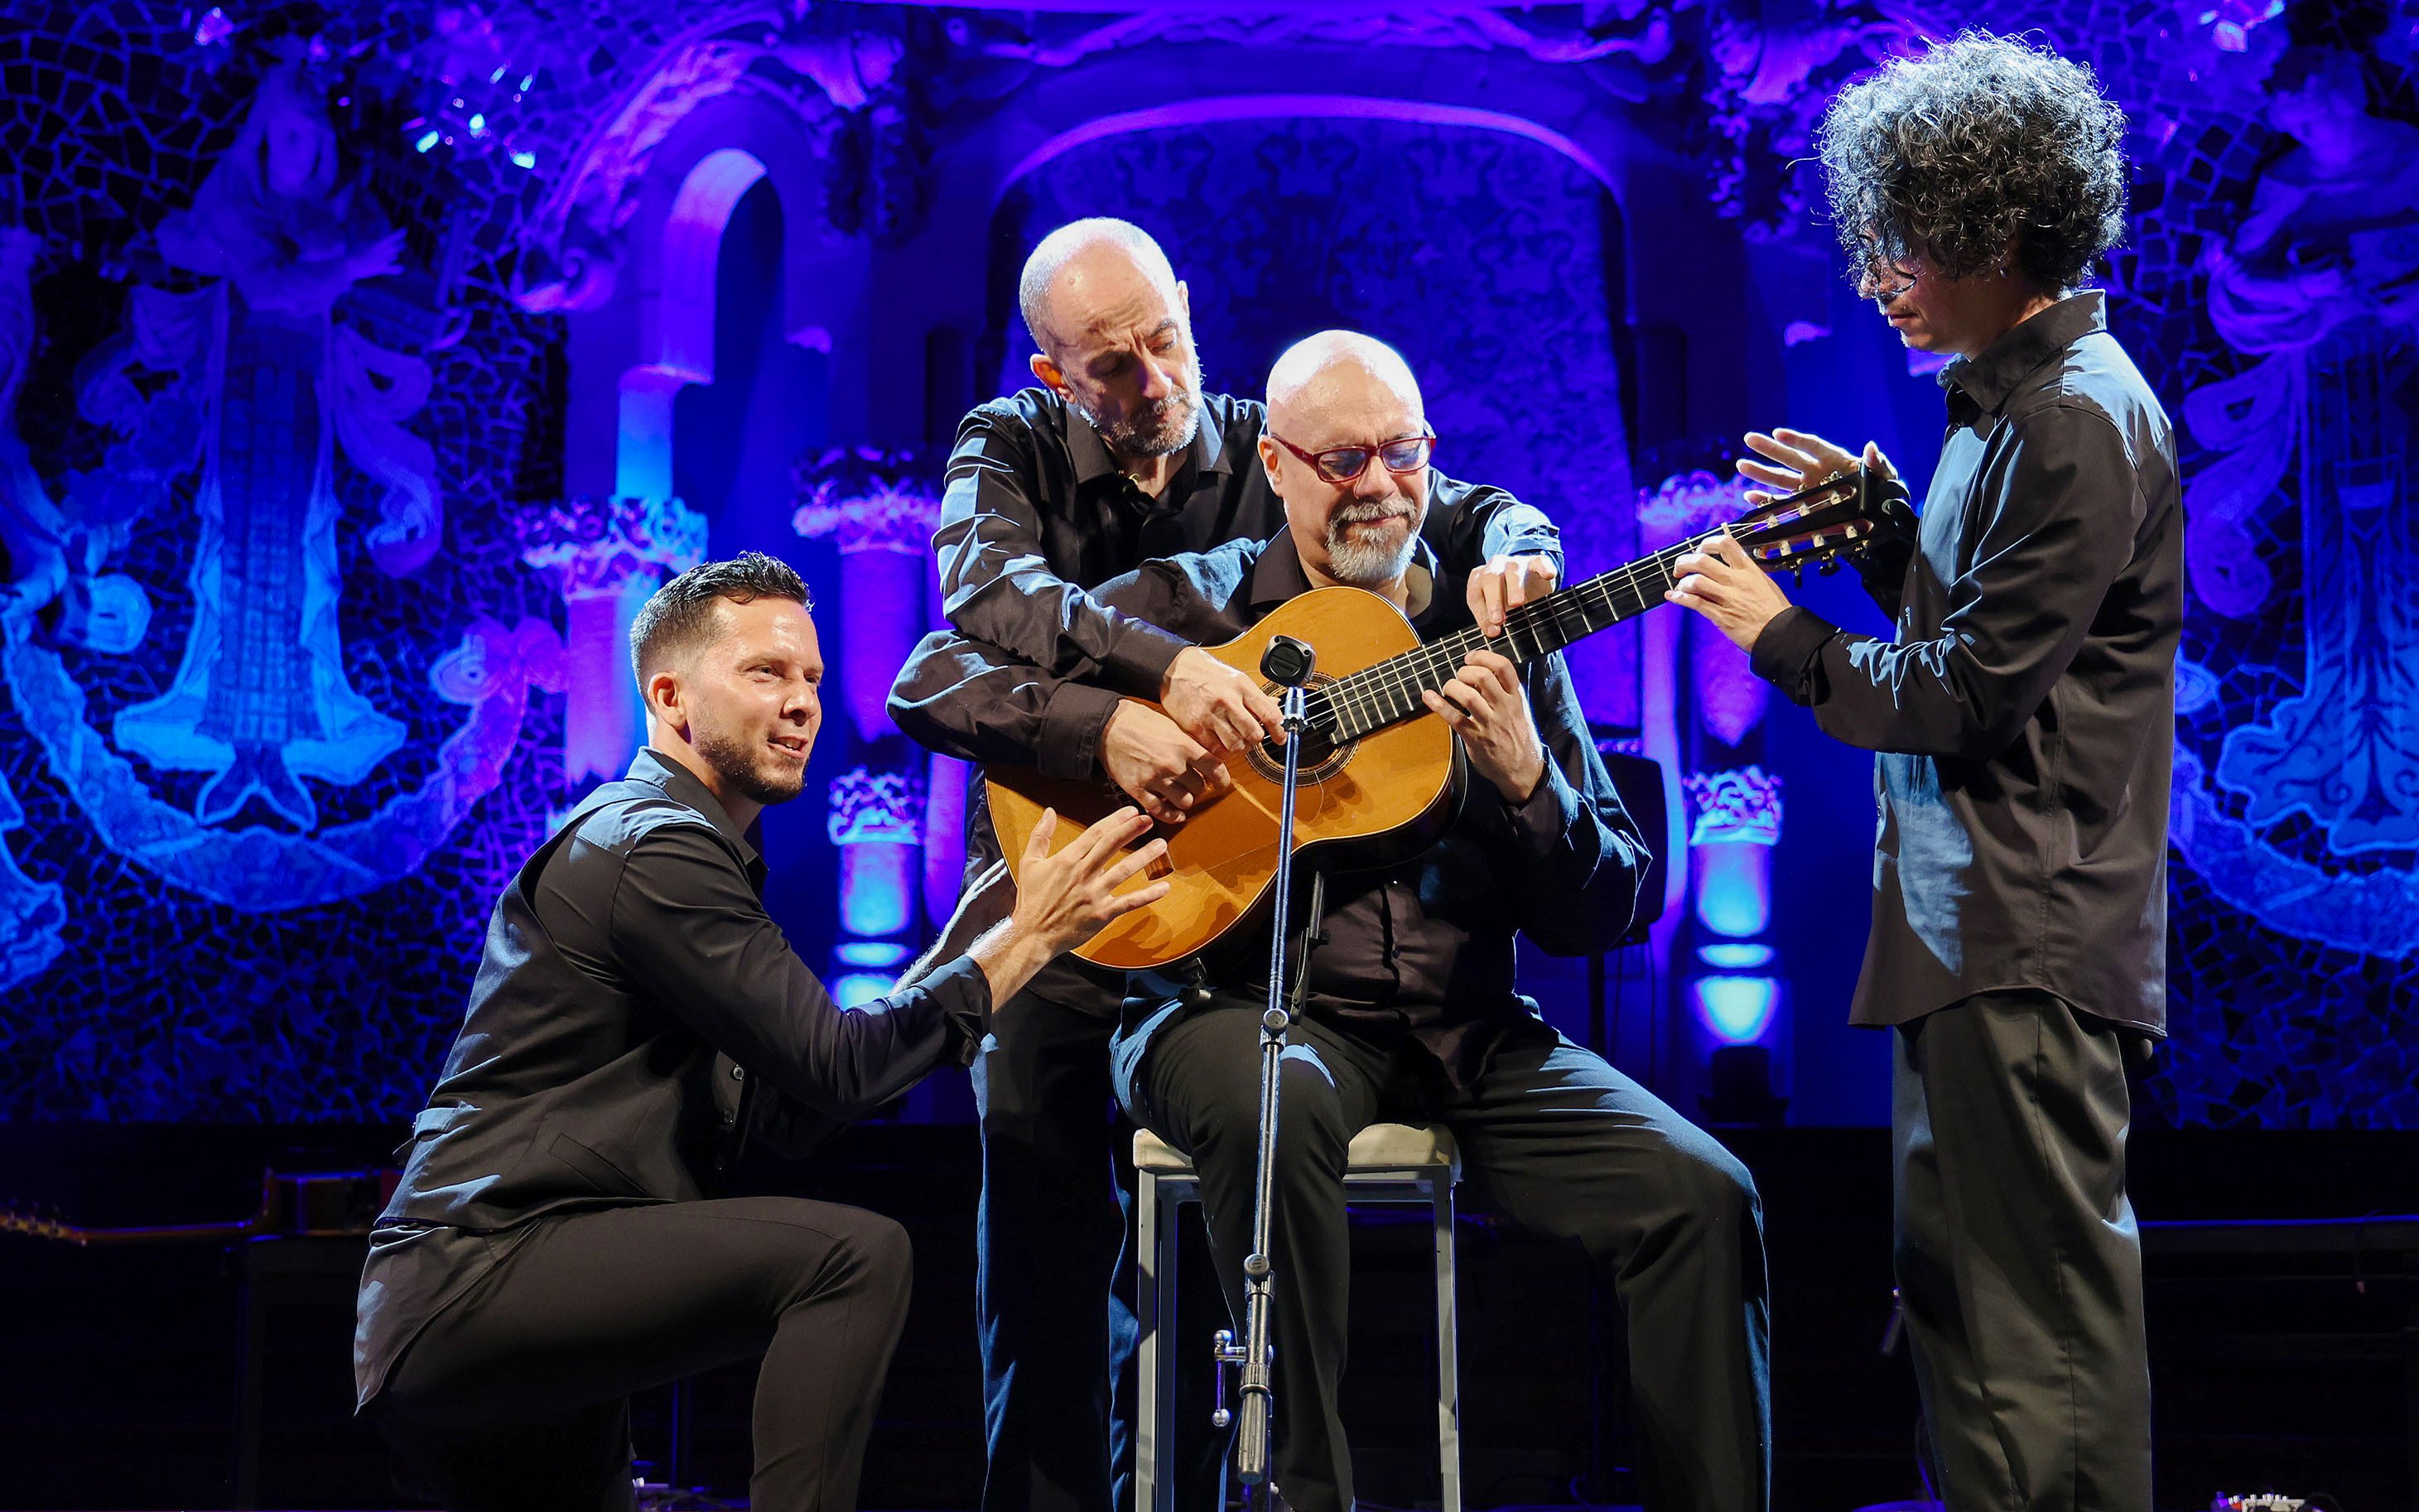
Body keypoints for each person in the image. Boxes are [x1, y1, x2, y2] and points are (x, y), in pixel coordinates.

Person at [897, 332, 1771, 1512]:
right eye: (1344, 457)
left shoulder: (1498, 634)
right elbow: (943, 671)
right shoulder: (1187, 608)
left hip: (1468, 1036)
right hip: (1233, 1012)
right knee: (1280, 1099)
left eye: (1402, 455)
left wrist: (1529, 785)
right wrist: (1117, 725)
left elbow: (1611, 905)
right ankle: (1299, 1496)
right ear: (1278, 464)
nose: (1377, 485)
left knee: (1705, 1193)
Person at [930, 218, 1566, 1512]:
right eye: (1107, 367)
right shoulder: (1007, 444)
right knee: (1039, 1219)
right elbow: (974, 615)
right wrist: (1134, 695)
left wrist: (1523, 536)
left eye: (1163, 340)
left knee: (1249, 1153)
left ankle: (1269, 1483)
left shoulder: (1269, 445)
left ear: (1187, 309)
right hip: (1074, 869)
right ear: (1052, 372)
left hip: (1242, 919)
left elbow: (1457, 497)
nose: (1149, 382)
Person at [353, 553, 1169, 1512]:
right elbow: (840, 1067)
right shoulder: (650, 847)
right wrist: (1027, 935)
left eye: (813, 678)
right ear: (669, 696)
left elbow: (793, 1109)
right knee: (851, 1258)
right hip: (480, 1273)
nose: (803, 703)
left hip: (513, 1295)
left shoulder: (693, 855)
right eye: (765, 672)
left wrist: (972, 948)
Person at [1664, 32, 2179, 1512]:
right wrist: (1891, 534)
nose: (1880, 275)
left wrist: (1782, 639)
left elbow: (1963, 698)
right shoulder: (2007, 414)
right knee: (1962, 1314)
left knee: (2038, 1335)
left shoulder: (2075, 413)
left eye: (1902, 243)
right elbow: (1987, 644)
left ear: (1994, 230)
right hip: (1975, 933)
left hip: (2028, 937)